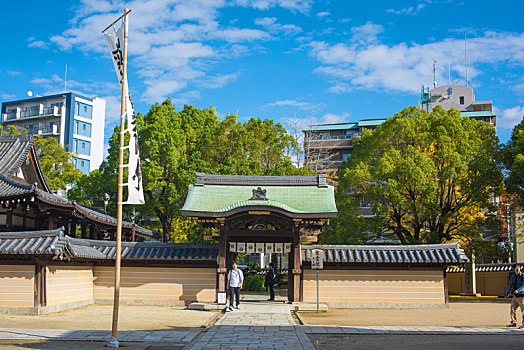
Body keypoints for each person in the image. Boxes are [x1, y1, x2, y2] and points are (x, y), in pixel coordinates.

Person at [505, 263, 524, 328]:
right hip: (515, 296)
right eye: (515, 268)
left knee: (523, 310)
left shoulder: (523, 276)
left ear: (520, 268)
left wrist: (518, 290)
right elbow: (510, 285)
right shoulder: (513, 277)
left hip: (522, 296)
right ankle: (513, 322)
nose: (517, 269)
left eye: (518, 268)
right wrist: (507, 292)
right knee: (512, 309)